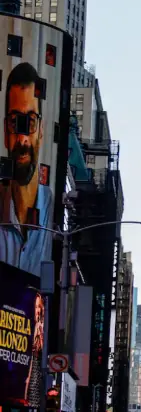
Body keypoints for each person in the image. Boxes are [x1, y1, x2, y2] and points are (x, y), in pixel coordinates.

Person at [0, 62, 54, 277]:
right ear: (5, 131)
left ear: (41, 131)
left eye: (29, 122)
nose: (22, 139)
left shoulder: (54, 211)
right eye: (15, 122)